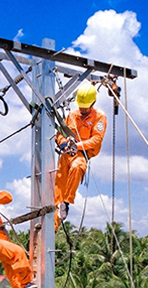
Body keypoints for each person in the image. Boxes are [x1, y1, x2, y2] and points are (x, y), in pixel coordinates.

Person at [54, 82, 107, 230]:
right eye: (81, 106)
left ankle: (67, 202)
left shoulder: (99, 117)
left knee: (78, 167)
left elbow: (97, 139)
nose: (83, 109)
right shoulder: (72, 116)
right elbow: (60, 134)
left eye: (86, 106)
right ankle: (52, 227)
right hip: (66, 155)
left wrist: (76, 146)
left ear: (93, 102)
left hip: (81, 154)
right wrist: (63, 143)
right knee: (56, 195)